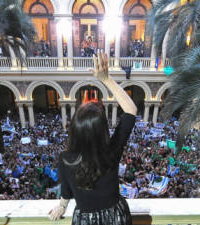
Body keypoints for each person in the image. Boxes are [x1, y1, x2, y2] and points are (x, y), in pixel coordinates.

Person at [49, 50, 137, 225]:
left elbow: (67, 190)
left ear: (74, 129)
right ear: (102, 130)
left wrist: (62, 206)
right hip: (116, 217)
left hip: (86, 220)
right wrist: (106, 79)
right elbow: (131, 111)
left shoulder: (65, 158)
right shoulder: (112, 151)